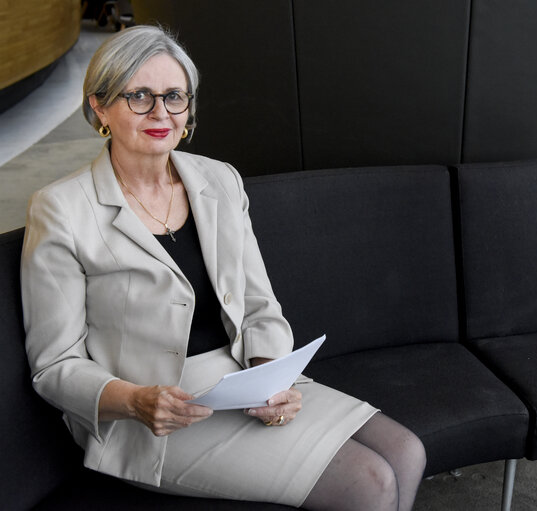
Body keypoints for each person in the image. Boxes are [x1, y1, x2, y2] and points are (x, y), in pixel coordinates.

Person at [21, 25, 426, 511]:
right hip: (157, 416)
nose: (160, 113)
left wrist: (270, 378)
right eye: (139, 96)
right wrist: (136, 401)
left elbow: (258, 305)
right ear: (100, 107)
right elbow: (54, 365)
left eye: (174, 96)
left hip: (243, 380)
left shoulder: (219, 180)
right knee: (369, 482)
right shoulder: (61, 208)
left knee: (406, 451)